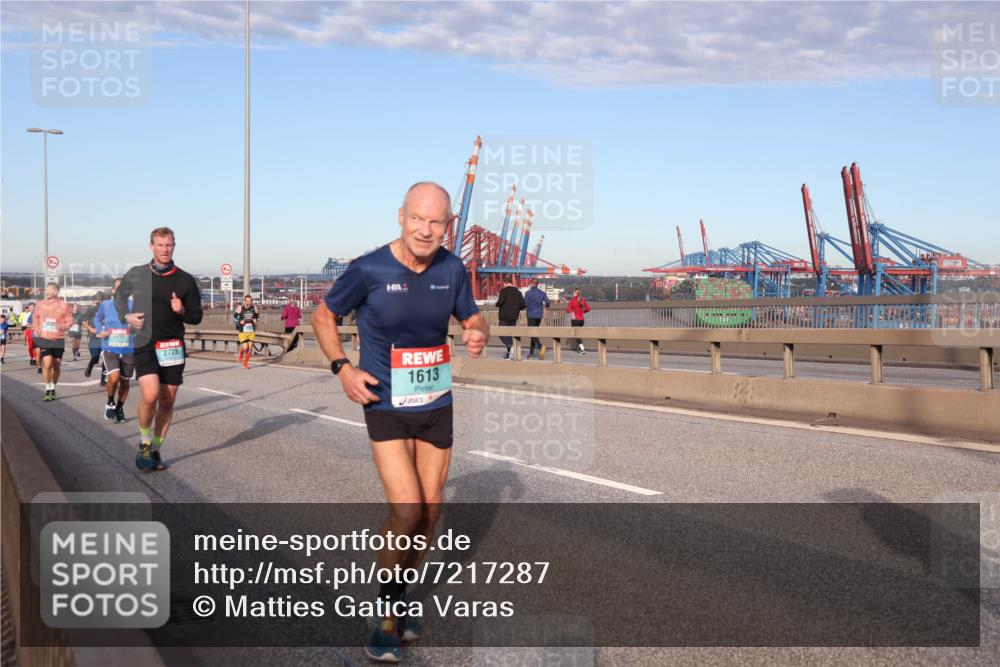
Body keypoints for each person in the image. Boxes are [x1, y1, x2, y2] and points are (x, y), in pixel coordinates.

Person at [312, 182, 488, 662]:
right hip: (386, 403)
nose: (425, 230)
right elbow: (323, 316)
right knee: (407, 511)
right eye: (417, 218)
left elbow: (473, 317)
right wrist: (342, 368)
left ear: (448, 225)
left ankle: (400, 598)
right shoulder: (368, 268)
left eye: (436, 222)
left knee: (430, 514)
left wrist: (476, 332)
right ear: (400, 216)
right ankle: (385, 612)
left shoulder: (452, 269)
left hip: (435, 403)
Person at [116, 227, 203, 472]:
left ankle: (155, 449)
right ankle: (144, 442)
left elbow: (196, 317)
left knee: (168, 400)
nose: (165, 249)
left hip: (173, 346)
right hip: (145, 342)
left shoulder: (185, 280)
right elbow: (119, 299)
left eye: (169, 245)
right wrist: (127, 316)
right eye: (160, 245)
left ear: (174, 246)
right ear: (151, 246)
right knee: (151, 395)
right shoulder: (137, 274)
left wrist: (182, 310)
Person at [95, 278, 135, 423]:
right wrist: (101, 330)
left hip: (128, 348)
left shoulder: (134, 305)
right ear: (113, 291)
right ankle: (110, 401)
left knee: (125, 383)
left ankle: (119, 408)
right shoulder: (106, 305)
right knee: (114, 378)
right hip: (110, 346)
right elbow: (97, 319)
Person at [32, 282, 74, 400]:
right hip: (44, 338)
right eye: (46, 290)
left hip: (58, 338)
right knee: (48, 363)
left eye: (49, 290)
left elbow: (70, 320)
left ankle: (53, 387)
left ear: (56, 292)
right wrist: (37, 329)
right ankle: (48, 388)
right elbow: (35, 318)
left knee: (57, 364)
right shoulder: (39, 304)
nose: (47, 292)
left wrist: (62, 326)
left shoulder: (64, 305)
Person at [495, 276, 525, 360]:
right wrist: (516, 309)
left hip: (504, 316)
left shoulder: (503, 291)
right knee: (510, 334)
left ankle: (511, 346)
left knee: (501, 333)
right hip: (514, 316)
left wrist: (497, 304)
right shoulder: (518, 292)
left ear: (505, 283)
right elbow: (523, 305)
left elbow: (500, 302)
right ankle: (510, 353)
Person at [523, 278, 550, 360]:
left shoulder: (528, 293)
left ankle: (540, 347)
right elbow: (548, 302)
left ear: (531, 283)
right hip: (539, 316)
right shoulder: (542, 293)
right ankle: (531, 354)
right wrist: (546, 308)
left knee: (532, 334)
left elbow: (524, 304)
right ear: (537, 284)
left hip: (530, 315)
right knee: (534, 334)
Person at [83, 298, 106, 386]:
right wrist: (90, 329)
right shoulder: (91, 310)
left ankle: (103, 380)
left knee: (105, 359)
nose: (98, 302)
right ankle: (89, 367)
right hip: (94, 337)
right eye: (96, 300)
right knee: (95, 358)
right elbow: (84, 322)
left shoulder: (109, 309)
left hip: (105, 338)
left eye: (100, 300)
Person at [233, 294, 259, 369]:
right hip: (243, 331)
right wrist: (239, 321)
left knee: (250, 348)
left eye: (250, 301)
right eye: (247, 301)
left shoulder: (254, 308)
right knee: (245, 347)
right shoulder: (240, 308)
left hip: (251, 331)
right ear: (244, 301)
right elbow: (235, 317)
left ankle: (245, 363)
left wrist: (255, 320)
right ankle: (241, 353)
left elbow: (257, 316)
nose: (249, 302)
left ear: (252, 301)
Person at [566, 288, 590, 354]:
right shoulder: (582, 300)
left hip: (575, 320)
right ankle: (579, 347)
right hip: (582, 320)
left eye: (573, 293)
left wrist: (570, 310)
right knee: (578, 334)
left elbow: (567, 310)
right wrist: (583, 311)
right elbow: (588, 308)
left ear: (574, 293)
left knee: (576, 334)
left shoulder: (572, 300)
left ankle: (582, 349)